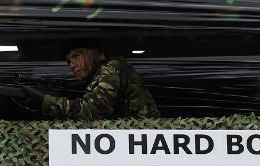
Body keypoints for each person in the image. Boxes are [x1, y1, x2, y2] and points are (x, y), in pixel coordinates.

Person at [20, 39, 159, 120]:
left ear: (95, 52)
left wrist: (46, 102)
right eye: (69, 61)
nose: (72, 65)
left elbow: (96, 109)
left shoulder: (111, 68)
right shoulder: (100, 73)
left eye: (76, 56)